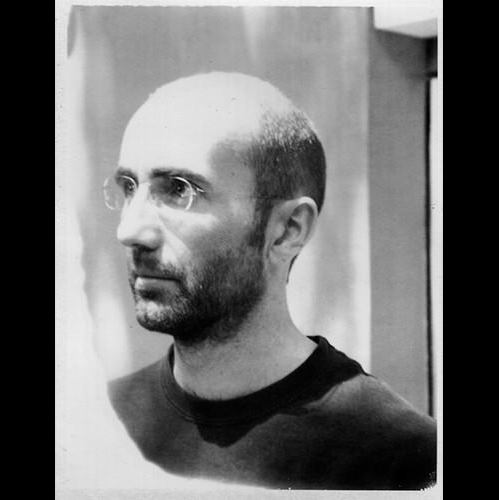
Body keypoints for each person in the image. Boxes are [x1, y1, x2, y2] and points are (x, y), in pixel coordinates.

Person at [106, 72, 436, 490]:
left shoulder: (404, 460)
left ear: (287, 231)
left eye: (178, 189)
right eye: (128, 187)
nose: (129, 231)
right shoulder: (99, 422)